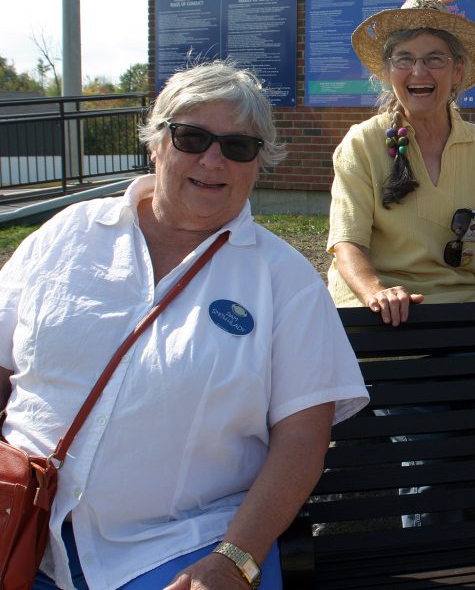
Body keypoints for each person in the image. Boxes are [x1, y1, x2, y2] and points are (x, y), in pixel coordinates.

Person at [0, 61, 369, 589]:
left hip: (182, 550)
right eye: (191, 137)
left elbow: (303, 439)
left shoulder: (283, 278)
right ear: (156, 143)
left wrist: (236, 559)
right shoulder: (66, 235)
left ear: (259, 163)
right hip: (22, 530)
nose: (213, 160)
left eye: (238, 146)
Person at [329, 0, 475, 325]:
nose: (419, 71)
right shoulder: (363, 143)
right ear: (388, 70)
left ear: (458, 69)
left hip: (457, 313)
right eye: (404, 59)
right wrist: (377, 293)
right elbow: (348, 244)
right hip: (374, 315)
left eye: (434, 59)